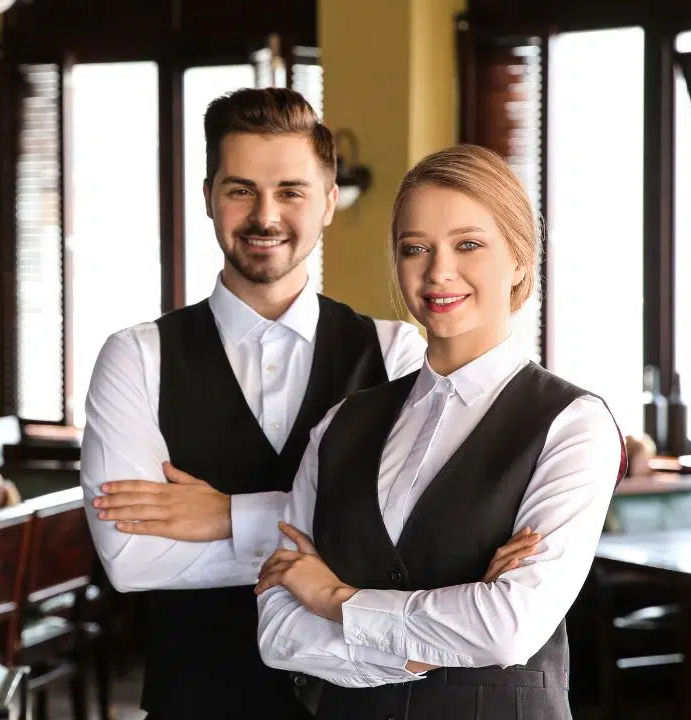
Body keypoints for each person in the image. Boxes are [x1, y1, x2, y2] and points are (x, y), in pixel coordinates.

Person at [79, 89, 537, 720]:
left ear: (327, 203)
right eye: (240, 190)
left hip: (374, 702)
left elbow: (425, 542)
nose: (265, 215)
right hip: (198, 702)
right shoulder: (135, 357)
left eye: (291, 191)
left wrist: (226, 516)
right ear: (208, 196)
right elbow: (131, 559)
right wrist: (349, 548)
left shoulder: (399, 351)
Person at [254, 144, 626, 720]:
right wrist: (433, 642)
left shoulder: (574, 425)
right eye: (415, 248)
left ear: (521, 260)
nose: (438, 271)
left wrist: (335, 598)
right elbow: (278, 632)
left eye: (468, 244)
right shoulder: (339, 425)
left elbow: (508, 629)